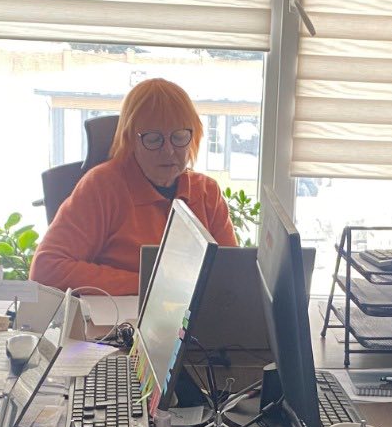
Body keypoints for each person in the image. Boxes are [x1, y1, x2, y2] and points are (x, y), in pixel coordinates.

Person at [29, 78, 237, 295]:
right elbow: (46, 269)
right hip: (117, 314)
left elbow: (232, 275)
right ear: (130, 140)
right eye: (154, 139)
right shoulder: (103, 186)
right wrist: (149, 285)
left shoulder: (207, 192)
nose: (168, 151)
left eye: (179, 137)